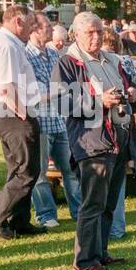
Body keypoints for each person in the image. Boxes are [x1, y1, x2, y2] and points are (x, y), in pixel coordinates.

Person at [54, 11, 136, 270]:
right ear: (77, 35)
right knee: (92, 203)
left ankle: (100, 253)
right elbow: (62, 102)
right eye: (90, 32)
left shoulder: (113, 61)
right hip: (92, 141)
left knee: (108, 203)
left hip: (119, 139)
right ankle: (84, 260)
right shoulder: (67, 63)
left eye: (99, 31)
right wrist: (98, 102)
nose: (96, 37)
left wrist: (135, 95)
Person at [0, 5, 44, 240]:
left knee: (17, 167)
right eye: (30, 24)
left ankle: (18, 220)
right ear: (17, 22)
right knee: (27, 171)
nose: (33, 29)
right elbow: (7, 87)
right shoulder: (7, 46)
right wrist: (23, 113)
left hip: (2, 110)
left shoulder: (1, 42)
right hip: (11, 111)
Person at [25, 12, 78, 229]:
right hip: (40, 124)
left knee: (72, 170)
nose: (50, 28)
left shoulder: (54, 54)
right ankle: (46, 215)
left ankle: (79, 210)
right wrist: (56, 92)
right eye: (47, 26)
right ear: (35, 29)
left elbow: (64, 85)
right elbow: (32, 92)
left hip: (60, 121)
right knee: (40, 174)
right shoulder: (25, 56)